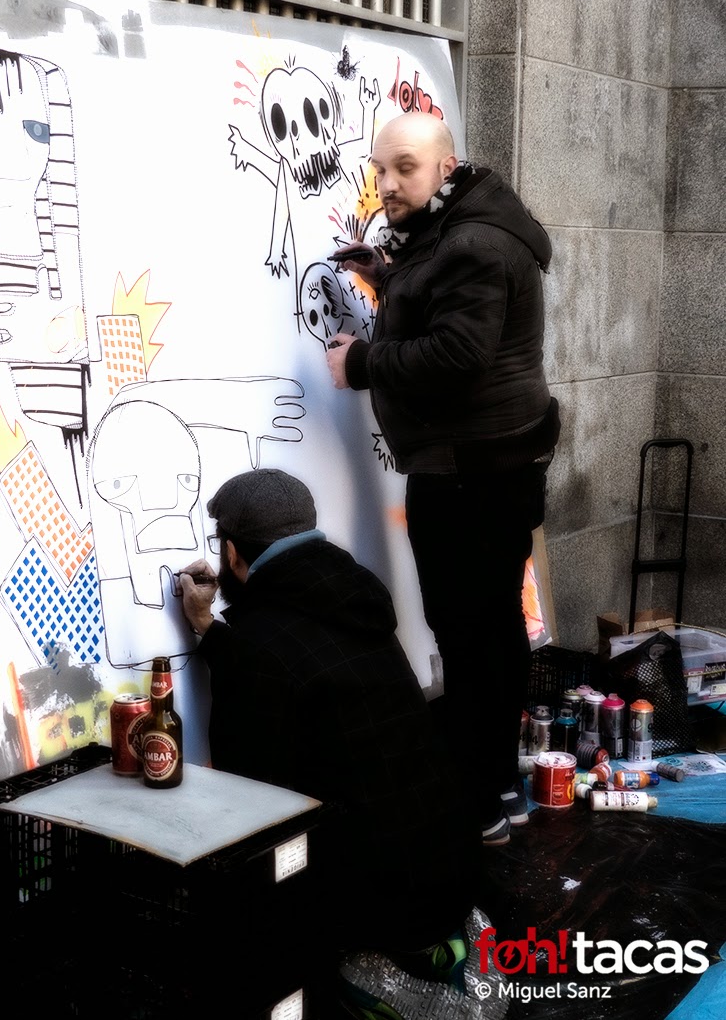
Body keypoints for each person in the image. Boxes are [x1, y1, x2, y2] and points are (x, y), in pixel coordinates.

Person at [325, 112, 560, 847]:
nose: (388, 184)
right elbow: (448, 303)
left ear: (446, 168)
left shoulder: (474, 243)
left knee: (469, 635)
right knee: (490, 629)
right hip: (491, 466)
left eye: (405, 167)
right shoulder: (462, 226)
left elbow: (458, 354)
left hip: (469, 475)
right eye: (380, 169)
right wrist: (387, 279)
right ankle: (500, 785)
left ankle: (477, 802)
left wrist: (360, 362)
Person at [177, 467, 479, 982]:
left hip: (387, 900)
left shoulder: (260, 643)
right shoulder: (354, 596)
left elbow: (247, 796)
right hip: (452, 865)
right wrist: (208, 626)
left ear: (231, 553)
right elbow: (302, 660)